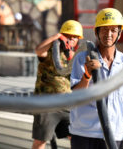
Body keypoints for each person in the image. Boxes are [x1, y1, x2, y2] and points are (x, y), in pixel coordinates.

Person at [69, 8, 123, 149]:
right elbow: (75, 96)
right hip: (85, 134)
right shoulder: (82, 58)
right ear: (96, 31)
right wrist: (87, 76)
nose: (108, 34)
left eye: (113, 30)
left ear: (119, 34)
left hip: (114, 135)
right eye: (104, 29)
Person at [32, 20, 84, 149]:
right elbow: (38, 51)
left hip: (67, 105)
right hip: (46, 105)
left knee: (77, 136)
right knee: (41, 141)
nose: (71, 39)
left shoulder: (75, 57)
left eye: (75, 37)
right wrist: (56, 37)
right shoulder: (50, 51)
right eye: (68, 36)